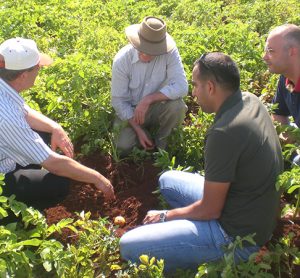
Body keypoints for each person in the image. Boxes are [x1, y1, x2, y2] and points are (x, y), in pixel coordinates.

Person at [120, 52, 283, 272]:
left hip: (237, 236)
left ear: (211, 87)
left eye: (196, 86)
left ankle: (204, 246)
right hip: (254, 211)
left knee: (128, 246)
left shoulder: (224, 133)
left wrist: (165, 216)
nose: (194, 93)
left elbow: (210, 210)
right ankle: (190, 233)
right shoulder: (250, 100)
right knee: (167, 181)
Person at [0, 37, 115, 211]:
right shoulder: (7, 117)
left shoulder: (5, 87)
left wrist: (56, 127)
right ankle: (18, 214)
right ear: (23, 75)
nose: (39, 71)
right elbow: (54, 164)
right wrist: (98, 178)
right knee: (59, 183)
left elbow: (23, 111)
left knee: (44, 132)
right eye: (38, 68)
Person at [111, 16, 188, 156]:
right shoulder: (122, 60)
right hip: (131, 112)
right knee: (122, 146)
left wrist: (149, 99)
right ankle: (144, 136)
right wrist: (137, 128)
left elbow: (182, 86)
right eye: (142, 49)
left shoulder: (169, 53)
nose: (145, 54)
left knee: (177, 107)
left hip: (157, 107)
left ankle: (163, 149)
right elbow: (118, 101)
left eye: (151, 51)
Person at [263, 24, 300, 164]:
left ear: (291, 51)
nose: (265, 57)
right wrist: (287, 136)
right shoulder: (286, 77)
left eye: (271, 51)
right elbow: (278, 112)